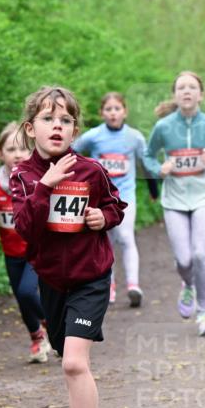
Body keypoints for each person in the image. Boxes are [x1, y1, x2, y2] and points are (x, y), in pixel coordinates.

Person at [9, 86, 126, 408]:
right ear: (30, 129)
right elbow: (25, 228)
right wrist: (46, 184)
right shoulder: (23, 177)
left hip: (91, 277)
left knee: (76, 363)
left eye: (65, 121)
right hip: (52, 281)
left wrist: (101, 218)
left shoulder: (91, 170)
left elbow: (116, 205)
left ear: (74, 130)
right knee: (66, 358)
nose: (56, 126)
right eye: (47, 119)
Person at [143, 71, 205, 337]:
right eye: (181, 87)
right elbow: (147, 156)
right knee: (183, 260)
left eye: (192, 87)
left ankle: (204, 313)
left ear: (201, 95)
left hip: (204, 197)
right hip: (174, 200)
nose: (186, 91)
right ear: (175, 94)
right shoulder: (164, 127)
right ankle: (188, 284)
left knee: (200, 254)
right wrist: (160, 168)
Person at [0, 123, 51, 363]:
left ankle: (51, 324)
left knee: (27, 292)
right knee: (22, 298)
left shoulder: (41, 182)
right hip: (12, 254)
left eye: (23, 148)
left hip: (39, 250)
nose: (17, 154)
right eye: (11, 149)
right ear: (0, 153)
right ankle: (38, 340)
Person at [72, 92, 146, 308]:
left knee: (125, 236)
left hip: (126, 197)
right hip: (100, 199)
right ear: (101, 113)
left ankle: (133, 285)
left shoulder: (135, 137)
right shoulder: (93, 136)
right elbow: (71, 152)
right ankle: (109, 286)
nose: (113, 113)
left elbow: (146, 162)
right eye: (108, 109)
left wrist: (154, 187)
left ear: (125, 111)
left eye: (117, 109)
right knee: (106, 242)